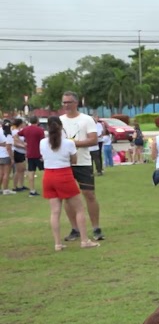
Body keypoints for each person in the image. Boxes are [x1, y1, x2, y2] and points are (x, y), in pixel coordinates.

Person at [39, 116, 100, 251]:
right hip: (64, 174)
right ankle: (84, 240)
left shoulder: (43, 142)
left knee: (55, 212)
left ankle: (57, 243)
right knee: (79, 208)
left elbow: (43, 157)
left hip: (48, 176)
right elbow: (74, 160)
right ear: (61, 127)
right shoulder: (68, 143)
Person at [60, 91, 105, 242]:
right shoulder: (59, 120)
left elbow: (93, 140)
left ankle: (96, 228)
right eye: (64, 102)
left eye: (69, 102)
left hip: (83, 162)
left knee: (89, 195)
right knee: (68, 198)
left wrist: (72, 143)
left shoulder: (86, 120)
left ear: (76, 103)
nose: (66, 105)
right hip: (65, 163)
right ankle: (75, 229)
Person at [17, 115, 46, 197]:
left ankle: (32, 190)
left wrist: (23, 143)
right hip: (38, 153)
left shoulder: (26, 129)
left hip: (30, 154)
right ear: (37, 121)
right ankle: (47, 188)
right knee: (45, 171)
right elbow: (43, 142)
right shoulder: (40, 130)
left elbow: (16, 135)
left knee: (31, 172)